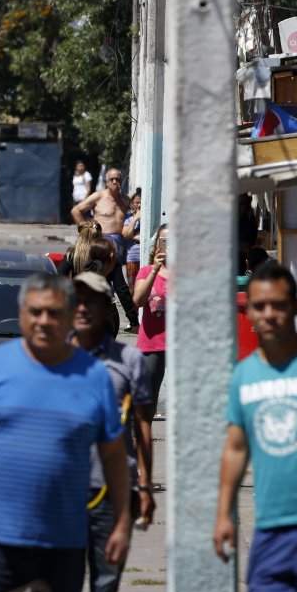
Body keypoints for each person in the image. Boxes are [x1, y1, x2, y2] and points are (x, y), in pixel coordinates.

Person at [0, 273, 130, 592]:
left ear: (70, 317)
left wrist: (122, 522)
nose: (44, 321)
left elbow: (113, 456)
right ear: (22, 314)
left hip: (64, 542)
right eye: (35, 312)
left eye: (54, 313)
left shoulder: (94, 376)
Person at [215, 262, 297, 592]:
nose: (269, 314)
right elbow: (235, 448)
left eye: (279, 304)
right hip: (271, 528)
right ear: (248, 312)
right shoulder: (243, 376)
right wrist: (223, 514)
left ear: (296, 307)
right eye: (260, 306)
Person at [71, 272, 155, 592]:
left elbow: (143, 424)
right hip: (62, 489)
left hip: (112, 490)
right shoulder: (51, 357)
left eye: (91, 302)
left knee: (106, 583)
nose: (82, 308)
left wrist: (146, 485)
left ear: (107, 308)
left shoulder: (129, 360)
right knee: (56, 582)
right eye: (76, 301)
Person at [72, 168, 138, 332]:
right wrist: (86, 230)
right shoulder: (99, 196)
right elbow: (76, 210)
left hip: (118, 244)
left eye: (118, 179)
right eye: (112, 179)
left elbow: (136, 209)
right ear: (107, 181)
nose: (115, 182)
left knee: (118, 284)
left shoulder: (124, 200)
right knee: (106, 280)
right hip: (100, 243)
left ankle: (128, 318)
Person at [133, 223, 168, 415]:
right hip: (152, 345)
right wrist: (155, 270)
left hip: (181, 345)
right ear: (157, 245)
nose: (168, 246)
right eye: (164, 241)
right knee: (147, 402)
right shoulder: (146, 272)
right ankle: (143, 441)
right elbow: (138, 300)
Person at [121, 190, 142, 290]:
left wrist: (132, 236)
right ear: (132, 204)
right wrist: (136, 218)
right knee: (132, 288)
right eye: (137, 202)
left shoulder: (149, 218)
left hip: (146, 257)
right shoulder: (128, 218)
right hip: (132, 257)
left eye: (141, 202)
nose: (139, 204)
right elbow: (125, 235)